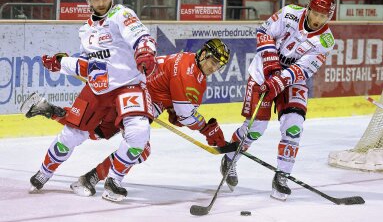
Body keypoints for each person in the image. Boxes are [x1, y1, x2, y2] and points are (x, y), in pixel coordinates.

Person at [22, 39, 230, 200]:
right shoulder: (189, 74)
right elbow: (185, 114)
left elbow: (179, 108)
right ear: (203, 54)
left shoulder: (187, 60)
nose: (214, 67)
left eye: (218, 65)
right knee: (140, 149)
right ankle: (95, 178)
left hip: (126, 92)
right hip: (137, 99)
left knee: (95, 130)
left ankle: (52, 111)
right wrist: (207, 129)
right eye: (212, 61)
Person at [27, 0, 158, 202]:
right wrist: (61, 64)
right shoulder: (85, 30)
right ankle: (44, 172)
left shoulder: (121, 14)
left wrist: (144, 51)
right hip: (98, 88)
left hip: (129, 85)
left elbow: (140, 36)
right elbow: (90, 66)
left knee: (138, 134)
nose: (100, 2)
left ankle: (114, 182)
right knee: (70, 135)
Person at [220, 0, 336, 201]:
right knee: (256, 128)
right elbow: (264, 32)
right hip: (263, 70)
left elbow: (303, 69)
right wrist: (272, 68)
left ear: (329, 16)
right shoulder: (290, 13)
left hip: (293, 81)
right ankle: (230, 158)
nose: (318, 19)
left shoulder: (326, 40)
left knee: (294, 126)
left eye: (323, 15)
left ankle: (281, 177)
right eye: (316, 13)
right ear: (309, 8)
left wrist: (280, 80)